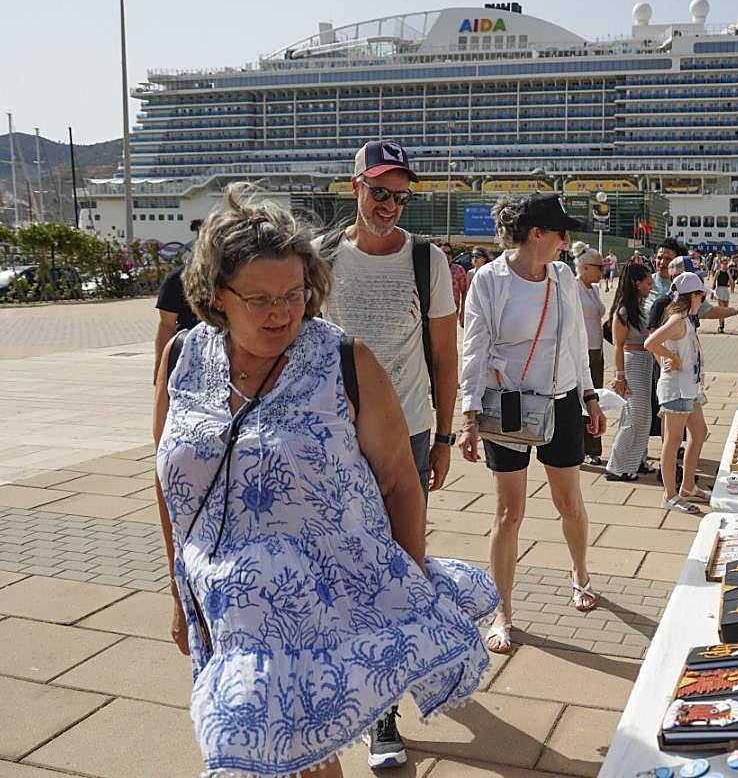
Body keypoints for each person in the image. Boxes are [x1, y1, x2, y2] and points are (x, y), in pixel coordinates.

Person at [152, 185, 497, 777]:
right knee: (289, 758)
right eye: (258, 298)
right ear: (216, 296)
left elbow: (399, 483)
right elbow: (168, 482)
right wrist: (178, 593)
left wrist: (407, 590)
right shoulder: (183, 357)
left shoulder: (344, 361)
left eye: (293, 294)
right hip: (224, 604)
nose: (281, 312)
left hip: (324, 607)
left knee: (292, 757)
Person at [317, 140, 459, 767]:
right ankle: (350, 685)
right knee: (341, 567)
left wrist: (448, 435)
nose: (392, 205)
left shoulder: (426, 260)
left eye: (402, 195)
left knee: (398, 570)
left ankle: (382, 713)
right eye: (380, 192)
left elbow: (446, 356)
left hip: (410, 433)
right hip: (334, 435)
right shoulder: (321, 257)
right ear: (355, 188)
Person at [458, 193, 605, 655]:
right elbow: (474, 349)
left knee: (569, 502)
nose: (568, 242)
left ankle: (580, 574)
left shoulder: (562, 276)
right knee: (509, 513)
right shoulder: (490, 280)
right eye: (562, 233)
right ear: (536, 234)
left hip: (561, 402)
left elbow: (577, 341)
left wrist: (589, 396)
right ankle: (502, 611)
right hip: (509, 407)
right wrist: (468, 415)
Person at [645, 272, 711, 515]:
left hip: (687, 388)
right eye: (700, 296)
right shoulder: (677, 320)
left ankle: (687, 485)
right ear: (691, 296)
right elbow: (650, 342)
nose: (702, 301)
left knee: (699, 432)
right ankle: (670, 495)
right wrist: (670, 358)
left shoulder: (685, 318)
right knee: (672, 441)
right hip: (676, 389)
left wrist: (669, 358)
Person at [605, 262, 653, 482]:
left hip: (644, 362)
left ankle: (636, 460)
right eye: (647, 282)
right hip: (632, 363)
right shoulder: (623, 311)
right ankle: (616, 465)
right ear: (636, 283)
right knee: (634, 417)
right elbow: (618, 345)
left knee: (643, 417)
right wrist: (620, 377)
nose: (650, 285)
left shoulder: (639, 307)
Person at [153, 218, 203, 381]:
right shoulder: (177, 279)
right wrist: (161, 367)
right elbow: (166, 325)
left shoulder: (233, 279)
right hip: (188, 355)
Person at [574, 248, 607, 466]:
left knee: (596, 399)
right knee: (581, 401)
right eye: (598, 267)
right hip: (580, 352)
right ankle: (580, 447)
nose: (602, 272)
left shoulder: (593, 289)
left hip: (597, 351)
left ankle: (593, 447)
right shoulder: (573, 287)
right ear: (584, 268)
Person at [441, 241, 469, 326]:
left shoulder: (458, 270)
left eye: (449, 253)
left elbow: (464, 292)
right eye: (443, 253)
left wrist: (463, 312)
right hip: (433, 312)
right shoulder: (431, 269)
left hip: (452, 312)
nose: (447, 255)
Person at [712, 258, 733, 333]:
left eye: (726, 264)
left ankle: (722, 324)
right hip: (720, 289)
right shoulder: (718, 272)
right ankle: (721, 326)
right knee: (721, 309)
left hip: (726, 290)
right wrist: (712, 292)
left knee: (725, 310)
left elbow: (731, 282)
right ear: (721, 264)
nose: (725, 265)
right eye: (723, 264)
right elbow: (714, 282)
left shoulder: (728, 272)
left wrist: (729, 273)